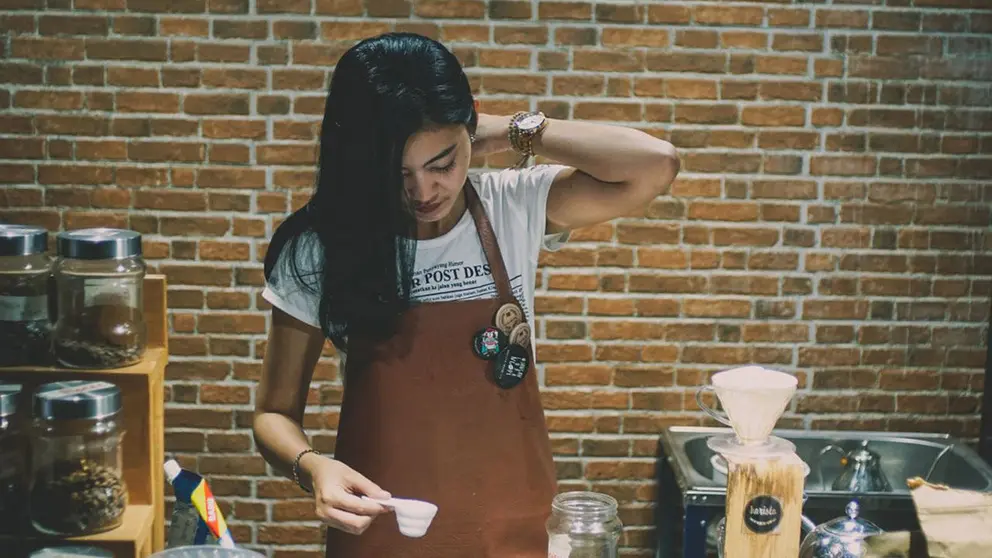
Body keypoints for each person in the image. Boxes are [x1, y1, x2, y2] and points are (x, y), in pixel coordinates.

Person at [253, 32, 680, 557]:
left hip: (513, 532)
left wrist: (505, 130)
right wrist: (312, 466)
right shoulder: (321, 246)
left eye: (443, 162)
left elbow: (655, 165)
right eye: (397, 173)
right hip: (384, 534)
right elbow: (272, 414)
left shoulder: (511, 207)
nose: (424, 191)